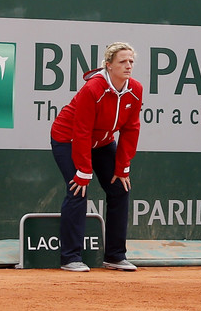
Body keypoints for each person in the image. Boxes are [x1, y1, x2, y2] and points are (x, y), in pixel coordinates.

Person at [51, 42, 143, 272]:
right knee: (78, 189)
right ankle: (70, 258)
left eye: (131, 61)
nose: (128, 65)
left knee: (120, 188)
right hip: (69, 138)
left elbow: (131, 129)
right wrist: (83, 170)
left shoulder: (136, 89)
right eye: (122, 61)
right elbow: (81, 130)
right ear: (109, 65)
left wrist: (123, 166)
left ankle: (115, 256)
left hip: (102, 142)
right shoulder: (93, 88)